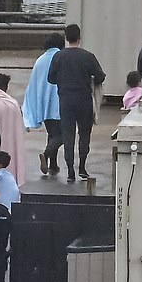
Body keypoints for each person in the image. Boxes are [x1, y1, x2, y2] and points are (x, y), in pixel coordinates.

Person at [48, 23, 105, 182]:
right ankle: (82, 167)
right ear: (79, 37)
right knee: (84, 134)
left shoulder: (58, 56)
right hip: (84, 100)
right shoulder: (87, 56)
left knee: (68, 135)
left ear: (66, 38)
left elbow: (50, 78)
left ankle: (70, 170)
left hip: (65, 100)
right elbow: (100, 76)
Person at [23, 33, 65, 174]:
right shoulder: (61, 57)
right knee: (63, 135)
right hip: (60, 103)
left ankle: (53, 164)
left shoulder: (40, 60)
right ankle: (47, 154)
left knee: (52, 134)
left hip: (45, 105)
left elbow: (34, 84)